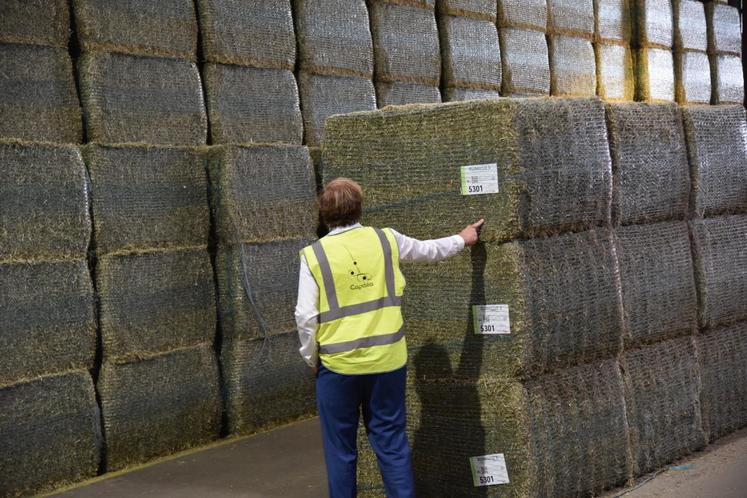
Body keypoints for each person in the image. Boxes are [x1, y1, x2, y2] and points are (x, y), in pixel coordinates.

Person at [295, 177, 483, 498]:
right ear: (359, 208)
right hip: (387, 363)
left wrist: (312, 358)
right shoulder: (386, 241)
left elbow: (305, 316)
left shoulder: (314, 256)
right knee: (391, 444)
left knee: (341, 451)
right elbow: (428, 251)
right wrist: (462, 239)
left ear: (324, 214)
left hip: (338, 368)